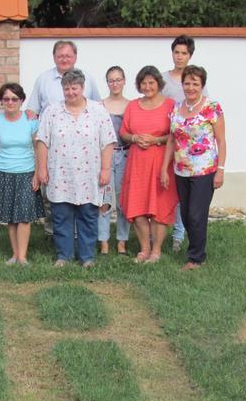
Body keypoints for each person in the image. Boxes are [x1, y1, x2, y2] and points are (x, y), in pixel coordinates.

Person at [35, 69, 115, 268]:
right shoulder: (52, 111)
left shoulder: (98, 110)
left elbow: (108, 142)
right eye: (67, 88)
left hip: (90, 174)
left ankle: (87, 257)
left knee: (88, 216)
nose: (70, 92)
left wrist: (106, 169)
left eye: (74, 88)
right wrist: (41, 168)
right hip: (60, 173)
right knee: (61, 216)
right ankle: (64, 255)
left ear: (82, 88)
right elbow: (42, 141)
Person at [162, 65, 227, 270]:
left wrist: (221, 169)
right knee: (185, 215)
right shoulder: (176, 108)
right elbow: (171, 140)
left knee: (196, 215)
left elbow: (221, 141)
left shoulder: (212, 108)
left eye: (195, 83)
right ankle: (197, 248)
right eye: (187, 83)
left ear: (202, 85)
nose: (190, 87)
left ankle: (196, 258)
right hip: (181, 170)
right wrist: (165, 167)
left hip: (205, 171)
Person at [119, 65, 178, 263]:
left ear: (158, 84)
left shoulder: (171, 105)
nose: (147, 86)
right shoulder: (133, 106)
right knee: (137, 208)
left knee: (159, 208)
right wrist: (134, 138)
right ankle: (144, 249)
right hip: (137, 164)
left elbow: (175, 134)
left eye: (151, 82)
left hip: (161, 162)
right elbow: (124, 132)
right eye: (143, 83)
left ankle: (156, 251)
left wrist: (156, 140)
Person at [0, 82, 44, 266]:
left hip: (26, 173)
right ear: (1, 101)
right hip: (4, 172)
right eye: (6, 98)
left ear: (21, 100)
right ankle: (14, 254)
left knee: (24, 217)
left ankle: (22, 256)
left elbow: (39, 148)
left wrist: (38, 173)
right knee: (11, 218)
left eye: (14, 98)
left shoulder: (30, 120)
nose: (10, 102)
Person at [161, 35, 197, 252]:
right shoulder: (163, 80)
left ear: (190, 55)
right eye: (177, 52)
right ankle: (161, 229)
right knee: (166, 188)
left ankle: (179, 234)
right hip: (165, 142)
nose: (180, 56)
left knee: (184, 193)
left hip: (187, 149)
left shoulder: (194, 79)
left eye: (184, 53)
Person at [98, 66, 131, 256]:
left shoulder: (131, 105)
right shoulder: (100, 105)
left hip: (126, 155)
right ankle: (103, 242)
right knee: (104, 201)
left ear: (124, 81)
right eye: (111, 80)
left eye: (118, 79)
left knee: (123, 201)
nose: (115, 83)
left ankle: (122, 241)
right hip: (105, 157)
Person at [27, 40, 102, 116]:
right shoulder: (43, 79)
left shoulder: (88, 79)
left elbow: (98, 108)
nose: (64, 60)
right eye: (60, 56)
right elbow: (32, 111)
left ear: (75, 57)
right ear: (54, 57)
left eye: (68, 56)